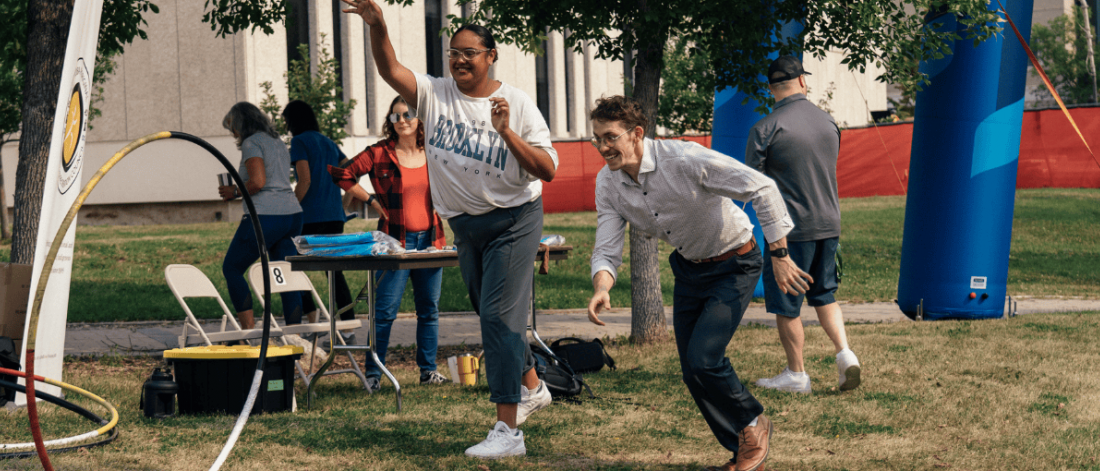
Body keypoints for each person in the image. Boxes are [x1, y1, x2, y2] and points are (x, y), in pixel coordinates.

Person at [344, 0, 558, 459]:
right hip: (466, 226)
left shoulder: (517, 104)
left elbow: (548, 170)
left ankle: (508, 430)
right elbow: (390, 69)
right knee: (491, 315)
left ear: (491, 55)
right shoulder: (435, 95)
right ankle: (534, 385)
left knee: (500, 317)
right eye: (453, 52)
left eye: (470, 52)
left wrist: (506, 133)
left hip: (515, 220)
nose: (459, 59)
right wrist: (378, 25)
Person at [585, 95, 811, 471]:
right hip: (690, 268)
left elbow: (762, 187)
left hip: (735, 262)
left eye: (610, 137)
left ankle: (753, 423)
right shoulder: (608, 183)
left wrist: (781, 255)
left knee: (704, 359)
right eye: (597, 139)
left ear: (637, 133)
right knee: (692, 372)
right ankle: (742, 445)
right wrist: (602, 286)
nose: (603, 147)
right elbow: (607, 243)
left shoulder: (685, 159)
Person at [746, 56, 861, 395]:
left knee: (788, 302)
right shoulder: (828, 122)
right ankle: (845, 354)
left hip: (790, 231)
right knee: (824, 294)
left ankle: (796, 374)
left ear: (771, 89)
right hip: (830, 223)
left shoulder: (765, 129)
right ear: (802, 82)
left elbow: (751, 185)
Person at [329, 95, 450, 391]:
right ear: (390, 122)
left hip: (431, 241)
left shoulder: (434, 150)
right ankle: (374, 374)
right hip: (394, 244)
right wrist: (369, 199)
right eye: (396, 116)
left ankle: (428, 371)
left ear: (419, 118)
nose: (403, 120)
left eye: (408, 114)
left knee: (429, 310)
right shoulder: (379, 152)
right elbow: (342, 174)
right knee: (384, 312)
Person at [218, 102, 305, 332]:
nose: (233, 134)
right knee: (285, 276)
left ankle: (248, 329)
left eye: (233, 128)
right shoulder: (277, 142)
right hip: (292, 213)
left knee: (232, 268)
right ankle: (295, 334)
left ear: (241, 123)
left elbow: (258, 182)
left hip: (267, 215)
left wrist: (235, 191)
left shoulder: (251, 142)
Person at [281, 100, 356, 346]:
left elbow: (305, 180)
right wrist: (343, 206)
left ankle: (311, 320)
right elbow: (351, 175)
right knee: (335, 274)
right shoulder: (329, 142)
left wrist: (290, 210)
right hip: (335, 218)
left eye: (286, 121)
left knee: (296, 269)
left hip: (310, 218)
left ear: (293, 121)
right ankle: (348, 329)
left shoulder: (300, 142)